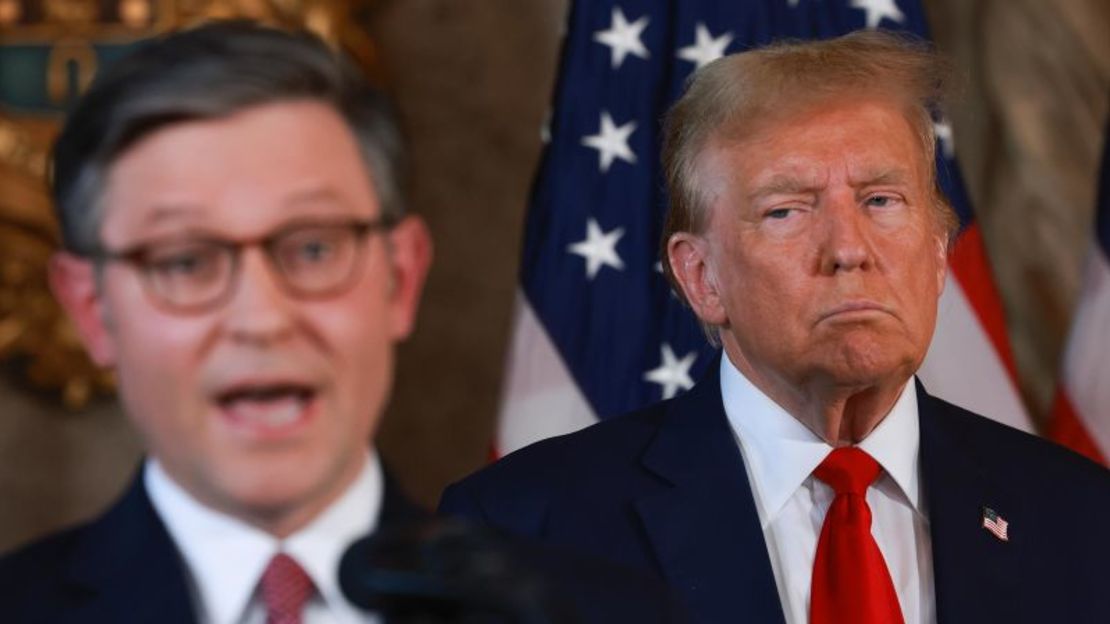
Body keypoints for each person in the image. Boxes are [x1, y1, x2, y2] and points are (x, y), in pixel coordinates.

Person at [0, 21, 684, 624]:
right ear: (92, 308)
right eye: (185, 261)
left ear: (401, 277)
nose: (262, 318)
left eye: (314, 248)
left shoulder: (598, 615)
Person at [440, 30, 1110, 624]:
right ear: (701, 277)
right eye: (787, 211)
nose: (849, 248)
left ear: (938, 254)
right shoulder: (521, 533)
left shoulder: (1084, 520)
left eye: (881, 200)